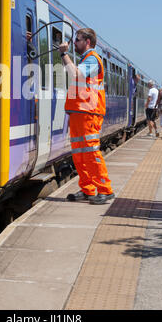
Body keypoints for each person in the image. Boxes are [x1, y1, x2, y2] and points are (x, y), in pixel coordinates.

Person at [58, 28, 114, 205]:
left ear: (88, 42)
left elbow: (76, 74)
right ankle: (87, 188)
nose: (74, 43)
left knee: (90, 152)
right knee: (79, 153)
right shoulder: (85, 59)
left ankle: (105, 190)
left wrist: (64, 54)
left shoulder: (92, 59)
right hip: (79, 112)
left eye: (78, 40)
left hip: (89, 112)